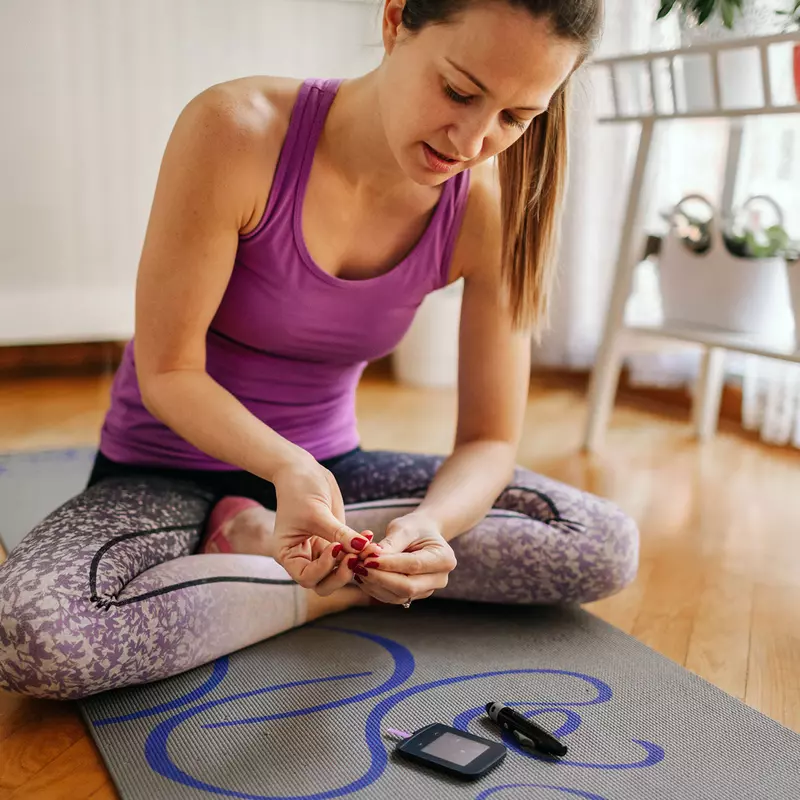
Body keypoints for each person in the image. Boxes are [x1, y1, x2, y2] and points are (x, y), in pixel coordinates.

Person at [0, 0, 638, 702]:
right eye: (459, 90)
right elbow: (169, 370)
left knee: (600, 541)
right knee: (36, 635)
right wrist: (286, 468)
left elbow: (490, 440)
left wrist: (426, 529)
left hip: (334, 483)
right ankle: (314, 587)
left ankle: (280, 559)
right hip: (161, 470)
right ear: (396, 19)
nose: (472, 139)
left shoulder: (489, 205)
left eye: (515, 118)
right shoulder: (234, 128)